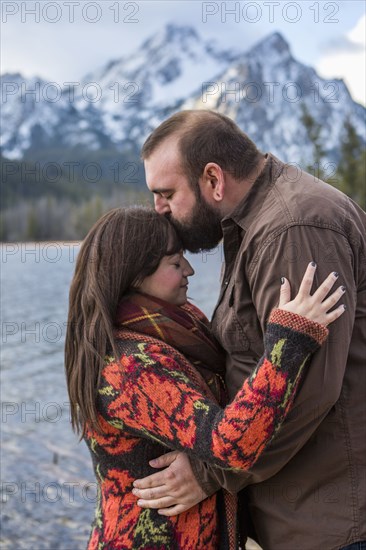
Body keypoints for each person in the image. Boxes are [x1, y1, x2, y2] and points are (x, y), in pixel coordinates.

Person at [133, 110, 366, 550]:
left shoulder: (293, 230)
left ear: (214, 180)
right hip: (304, 514)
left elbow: (309, 388)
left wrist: (210, 473)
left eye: (166, 194)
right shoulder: (257, 223)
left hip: (332, 523)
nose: (158, 210)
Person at [64, 206, 344, 550]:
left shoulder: (178, 326)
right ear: (134, 274)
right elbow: (232, 445)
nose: (190, 269)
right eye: (175, 262)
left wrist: (203, 473)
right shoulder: (128, 367)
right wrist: (290, 341)